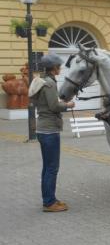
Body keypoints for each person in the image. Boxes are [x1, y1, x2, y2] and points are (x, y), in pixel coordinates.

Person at [29, 54, 75, 212]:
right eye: (58, 66)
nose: (60, 68)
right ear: (53, 67)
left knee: (47, 167)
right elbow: (54, 106)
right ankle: (49, 203)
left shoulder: (43, 81)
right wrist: (68, 104)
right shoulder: (49, 84)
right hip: (49, 130)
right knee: (52, 168)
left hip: (44, 129)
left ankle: (50, 199)